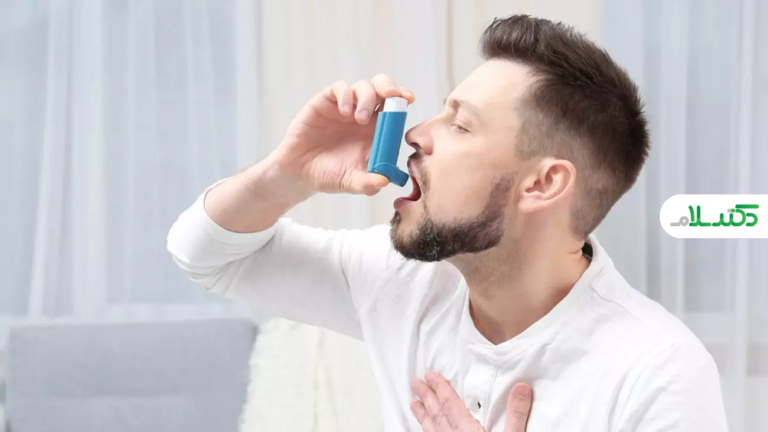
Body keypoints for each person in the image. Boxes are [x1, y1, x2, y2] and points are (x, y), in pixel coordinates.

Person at [167, 14, 728, 432]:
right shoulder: (401, 280)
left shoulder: (658, 373)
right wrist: (289, 172)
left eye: (459, 125)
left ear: (543, 184)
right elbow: (207, 254)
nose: (416, 134)